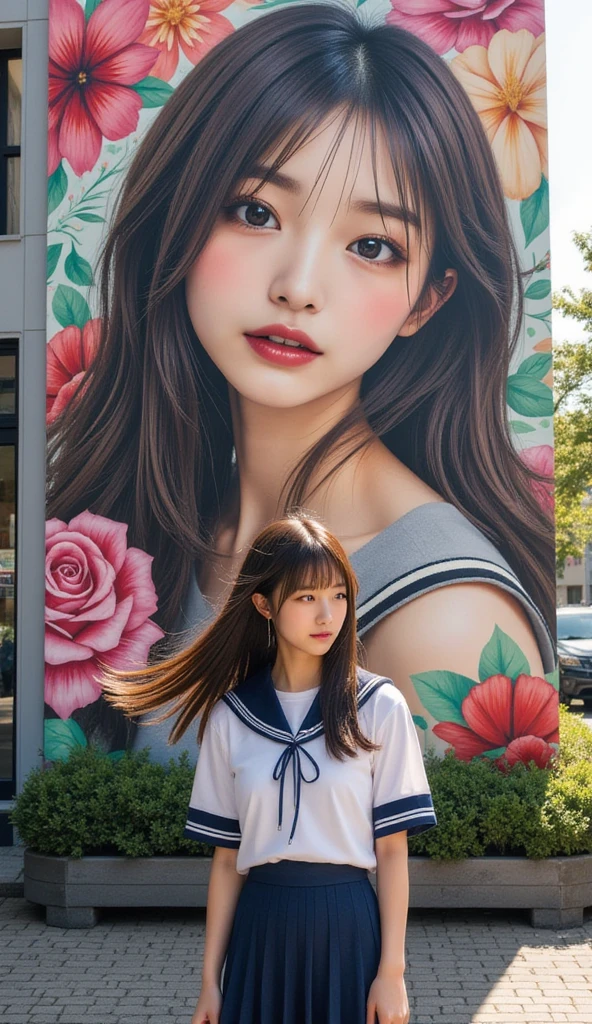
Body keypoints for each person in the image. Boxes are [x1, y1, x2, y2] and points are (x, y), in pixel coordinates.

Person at [46, 2, 556, 763]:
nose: (298, 286)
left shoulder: (443, 621)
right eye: (255, 211)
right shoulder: (168, 530)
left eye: (373, 245)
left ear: (428, 299)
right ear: (178, 220)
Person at [100, 514, 437, 1024]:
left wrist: (392, 973)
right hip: (260, 930)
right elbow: (224, 860)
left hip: (347, 929)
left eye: (338, 595)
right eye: (306, 598)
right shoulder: (231, 716)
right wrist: (209, 983)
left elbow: (392, 852)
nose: (327, 614)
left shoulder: (378, 706)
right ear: (264, 604)